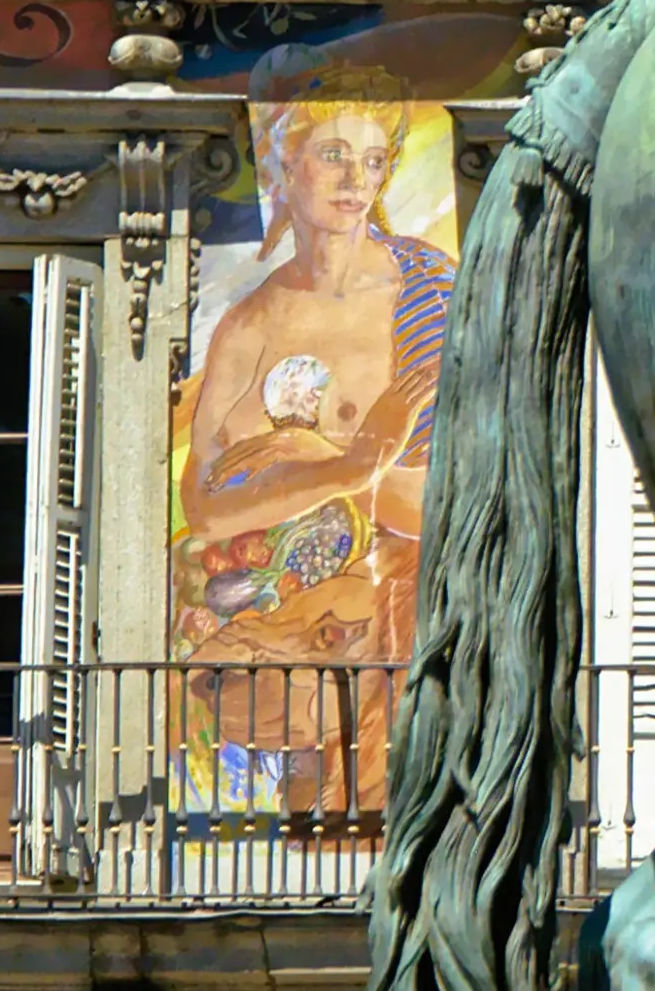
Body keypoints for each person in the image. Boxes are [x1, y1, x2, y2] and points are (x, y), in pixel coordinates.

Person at [183, 77, 453, 668]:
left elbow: (452, 504)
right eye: (335, 156)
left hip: (395, 639)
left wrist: (322, 456)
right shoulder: (248, 323)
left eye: (375, 162)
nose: (357, 181)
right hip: (256, 650)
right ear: (287, 160)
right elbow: (203, 510)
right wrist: (350, 466)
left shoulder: (430, 292)